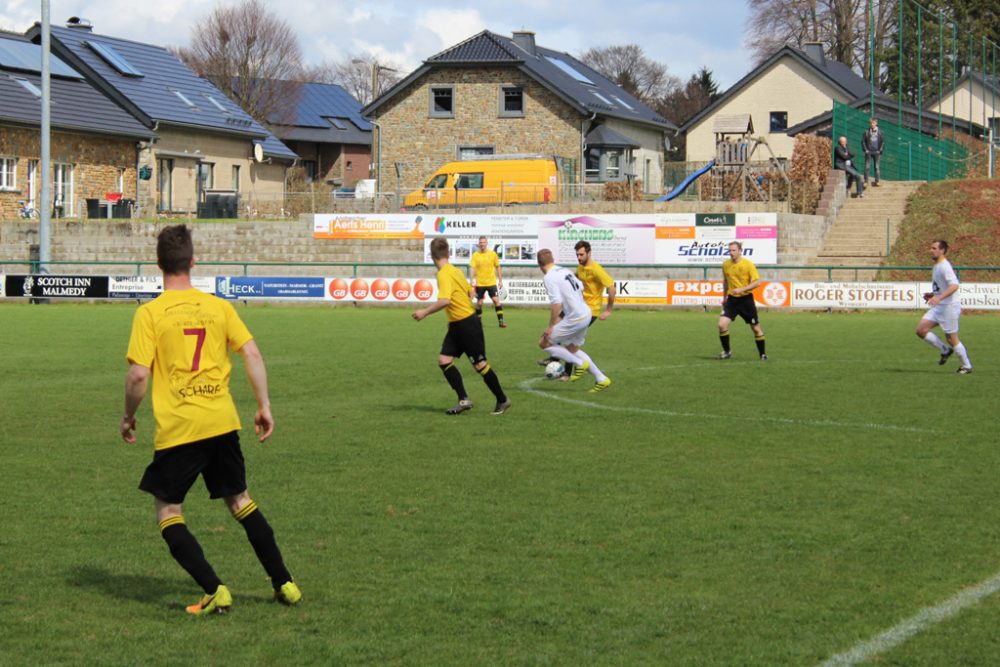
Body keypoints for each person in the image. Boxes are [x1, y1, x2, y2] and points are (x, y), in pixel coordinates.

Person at [120, 224, 300, 616]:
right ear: (193, 262)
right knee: (240, 501)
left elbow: (137, 376)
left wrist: (128, 417)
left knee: (168, 511)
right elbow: (251, 353)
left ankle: (215, 589)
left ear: (158, 265)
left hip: (181, 428)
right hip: (221, 421)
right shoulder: (219, 307)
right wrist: (263, 405)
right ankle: (284, 582)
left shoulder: (149, 313)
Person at [414, 237, 512, 414]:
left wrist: (424, 312)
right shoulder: (455, 271)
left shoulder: (443, 274)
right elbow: (470, 292)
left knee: (480, 365)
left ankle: (502, 399)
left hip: (466, 323)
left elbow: (445, 300)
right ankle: (464, 400)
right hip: (457, 324)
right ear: (448, 253)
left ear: (432, 255)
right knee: (444, 360)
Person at [536, 248, 612, 393]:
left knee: (544, 342)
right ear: (553, 260)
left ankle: (578, 363)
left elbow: (556, 303)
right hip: (586, 313)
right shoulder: (565, 270)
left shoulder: (549, 277)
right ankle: (602, 379)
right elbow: (580, 287)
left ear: (539, 264)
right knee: (572, 348)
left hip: (576, 317)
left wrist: (551, 326)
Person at [916, 239, 972, 374]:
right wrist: (933, 294)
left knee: (951, 338)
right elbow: (943, 286)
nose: (931, 250)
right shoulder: (937, 265)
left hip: (949, 307)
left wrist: (939, 298)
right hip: (940, 306)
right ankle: (945, 350)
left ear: (942, 251)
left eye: (934, 248)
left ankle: (966, 366)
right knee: (921, 330)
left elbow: (954, 285)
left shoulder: (944, 266)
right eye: (931, 247)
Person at [717, 241, 767, 361]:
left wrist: (742, 289)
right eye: (730, 250)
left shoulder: (748, 265)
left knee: (755, 328)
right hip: (732, 300)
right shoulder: (725, 265)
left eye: (734, 250)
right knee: (721, 324)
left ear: (740, 251)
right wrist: (724, 298)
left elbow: (757, 282)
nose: (731, 253)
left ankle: (762, 354)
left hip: (746, 300)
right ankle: (727, 352)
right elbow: (725, 282)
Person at [468, 236, 506, 328]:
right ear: (479, 244)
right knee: (479, 303)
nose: (482, 244)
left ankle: (501, 322)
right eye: (480, 242)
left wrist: (500, 281)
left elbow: (498, 267)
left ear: (487, 243)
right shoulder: (475, 255)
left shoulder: (493, 254)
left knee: (496, 300)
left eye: (484, 242)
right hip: (480, 283)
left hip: (491, 283)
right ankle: (478, 323)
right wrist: (471, 279)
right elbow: (472, 268)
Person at [861, 117, 884, 187]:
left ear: (876, 123)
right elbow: (863, 142)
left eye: (873, 123)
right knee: (867, 167)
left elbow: (883, 142)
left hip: (877, 152)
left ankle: (877, 181)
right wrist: (865, 150)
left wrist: (880, 151)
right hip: (869, 152)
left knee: (876, 167)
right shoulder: (866, 131)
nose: (872, 124)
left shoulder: (880, 132)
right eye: (871, 123)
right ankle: (865, 181)